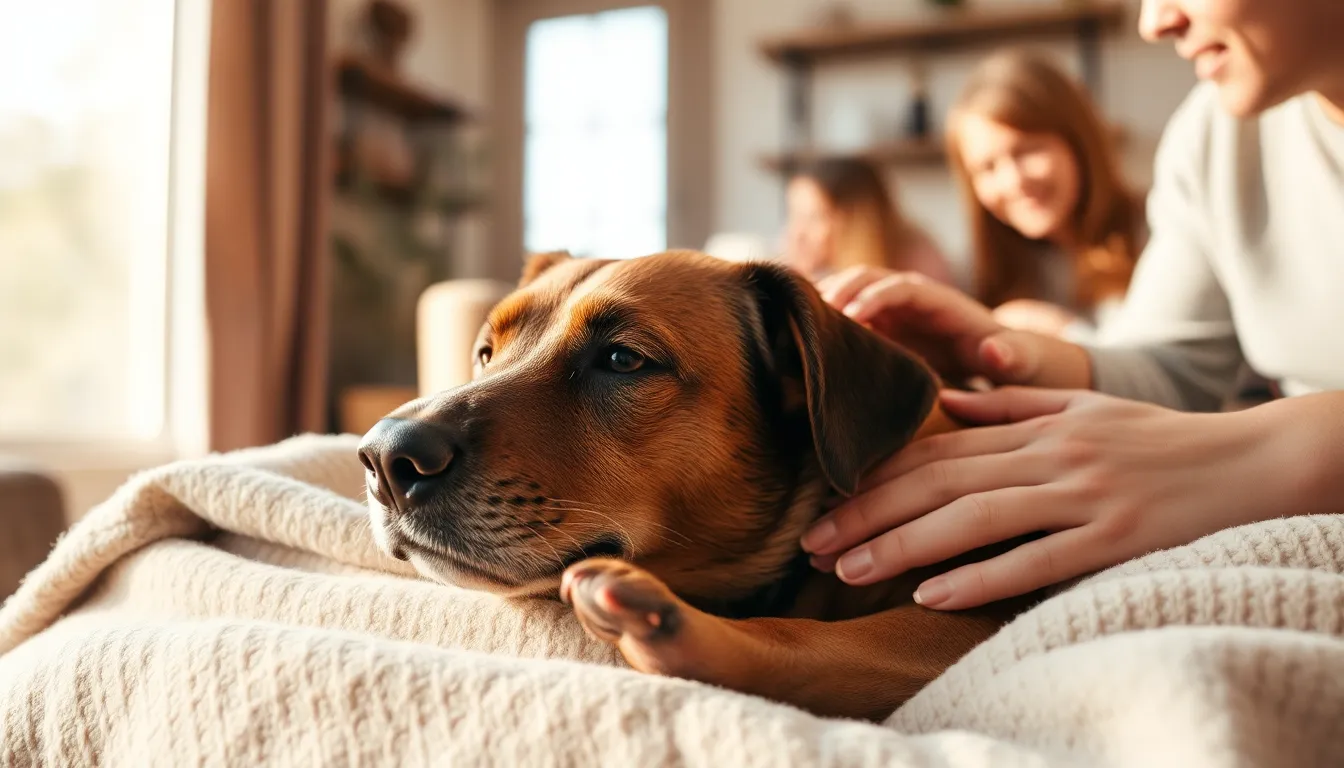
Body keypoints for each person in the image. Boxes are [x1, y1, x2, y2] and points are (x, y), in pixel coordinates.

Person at [800, 0, 1344, 612]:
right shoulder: (1213, 136)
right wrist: (999, 348)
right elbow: (1174, 367)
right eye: (986, 167)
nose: (1154, 22)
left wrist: (1245, 459)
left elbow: (1207, 422)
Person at [945, 49, 1144, 341]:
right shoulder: (980, 271)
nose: (1014, 182)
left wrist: (1060, 330)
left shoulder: (1155, 230)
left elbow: (1162, 374)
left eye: (1028, 150)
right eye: (987, 167)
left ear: (1078, 142)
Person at [782, 157, 956, 285]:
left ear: (857, 222)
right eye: (794, 215)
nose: (797, 233)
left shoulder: (917, 267)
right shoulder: (822, 274)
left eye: (814, 217)